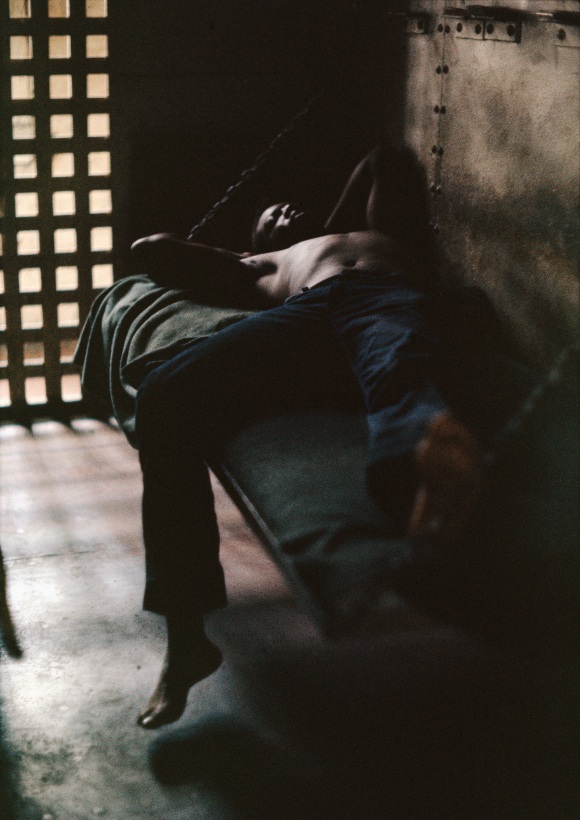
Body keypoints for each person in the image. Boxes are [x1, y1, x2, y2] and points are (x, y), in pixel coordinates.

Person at [129, 146, 483, 729]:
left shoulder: (381, 234)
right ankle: (187, 637)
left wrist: (325, 219)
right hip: (310, 313)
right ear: (255, 236)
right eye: (273, 212)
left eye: (289, 209)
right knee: (163, 396)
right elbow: (152, 252)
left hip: (388, 296)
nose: (285, 212)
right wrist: (249, 246)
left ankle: (418, 477)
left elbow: (385, 160)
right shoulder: (264, 264)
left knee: (398, 369)